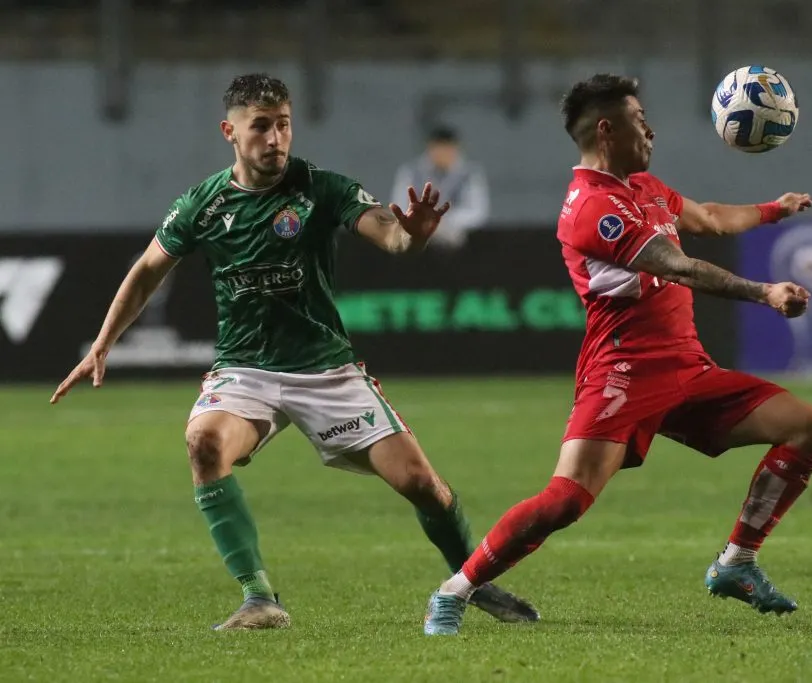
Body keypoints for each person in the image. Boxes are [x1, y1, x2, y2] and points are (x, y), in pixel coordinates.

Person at [49, 73, 538, 631]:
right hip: (245, 371)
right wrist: (103, 343)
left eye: (283, 124)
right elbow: (145, 272)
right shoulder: (202, 205)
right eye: (260, 126)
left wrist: (414, 235)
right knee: (204, 443)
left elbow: (391, 236)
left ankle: (470, 580)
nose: (275, 138)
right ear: (229, 131)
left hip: (326, 371)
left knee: (423, 485)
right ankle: (258, 598)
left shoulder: (322, 188)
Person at [423, 73, 812, 635]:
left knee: (807, 427)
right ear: (608, 130)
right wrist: (765, 292)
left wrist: (772, 209)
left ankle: (737, 563)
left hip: (687, 367)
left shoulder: (646, 187)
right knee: (564, 501)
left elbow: (708, 217)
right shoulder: (591, 209)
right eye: (641, 121)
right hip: (623, 374)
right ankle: (454, 591)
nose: (651, 130)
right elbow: (679, 265)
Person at [390, 125, 490, 249]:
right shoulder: (411, 172)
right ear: (430, 148)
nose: (443, 154)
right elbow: (400, 209)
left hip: (458, 242)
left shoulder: (469, 174)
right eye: (439, 149)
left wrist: (443, 220)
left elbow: (478, 213)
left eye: (448, 149)